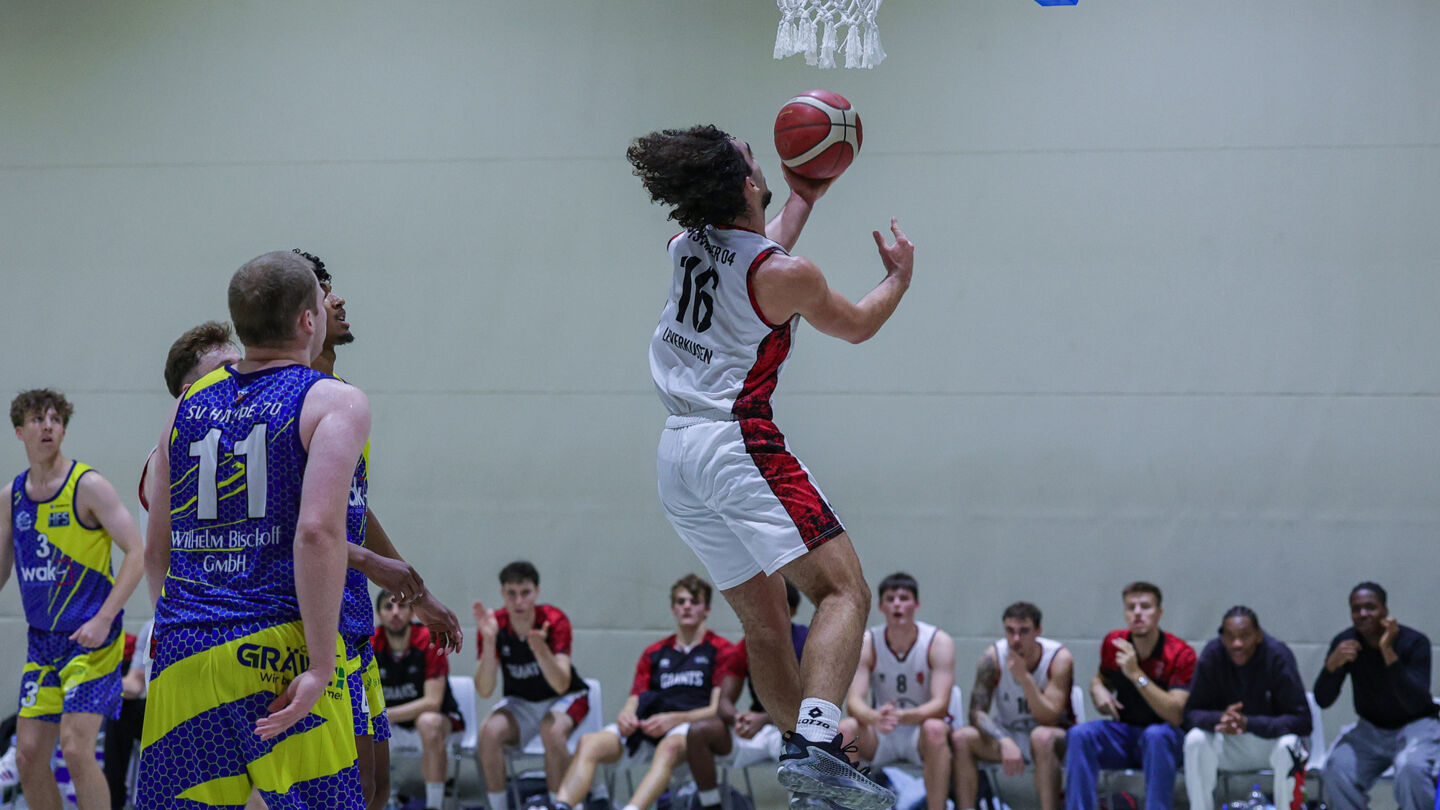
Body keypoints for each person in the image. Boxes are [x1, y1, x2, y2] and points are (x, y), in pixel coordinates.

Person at [630, 122, 913, 810]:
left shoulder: (682, 246)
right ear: (749, 184)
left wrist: (804, 198)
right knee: (845, 592)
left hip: (677, 455)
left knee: (763, 622)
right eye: (755, 162)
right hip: (737, 442)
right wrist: (898, 278)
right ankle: (818, 744)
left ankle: (804, 772)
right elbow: (856, 323)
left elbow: (759, 257)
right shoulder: (787, 273)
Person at [136, 250, 369, 808]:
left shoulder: (187, 403)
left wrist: (177, 629)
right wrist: (319, 663)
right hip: (278, 645)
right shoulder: (333, 400)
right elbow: (316, 534)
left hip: (184, 646)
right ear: (307, 321)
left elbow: (155, 548)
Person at [296, 248, 463, 810]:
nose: (339, 298)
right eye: (324, 289)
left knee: (374, 789)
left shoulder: (341, 395)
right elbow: (292, 527)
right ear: (301, 313)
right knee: (326, 793)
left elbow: (354, 508)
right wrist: (375, 568)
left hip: (352, 618)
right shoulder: (290, 400)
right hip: (302, 625)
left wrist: (414, 592)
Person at [0, 388, 146, 810]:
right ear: (19, 431)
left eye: (55, 419)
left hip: (92, 640)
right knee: (27, 755)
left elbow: (137, 552)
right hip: (43, 641)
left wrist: (104, 618)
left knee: (77, 748)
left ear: (63, 428)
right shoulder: (12, 498)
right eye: (37, 419)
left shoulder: (88, 486)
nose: (47, 426)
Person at [553, 575, 732, 810]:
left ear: (707, 608)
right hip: (649, 723)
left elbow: (716, 708)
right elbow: (635, 696)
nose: (686, 606)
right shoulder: (654, 652)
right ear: (672, 608)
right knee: (590, 742)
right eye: (680, 601)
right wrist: (626, 716)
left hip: (688, 727)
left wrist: (674, 719)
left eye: (694, 601)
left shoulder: (721, 650)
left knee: (667, 748)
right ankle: (562, 805)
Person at [1066, 582, 1195, 810]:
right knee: (1080, 734)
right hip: (1124, 734)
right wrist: (1097, 688)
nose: (1137, 613)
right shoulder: (1114, 643)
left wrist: (1136, 674)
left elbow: (1176, 714)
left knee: (1157, 736)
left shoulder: (1180, 653)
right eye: (1131, 607)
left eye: (1145, 607)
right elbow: (1100, 678)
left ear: (1159, 613)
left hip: (1165, 738)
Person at [473, 561, 591, 810]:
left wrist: (541, 652)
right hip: (522, 702)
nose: (518, 601)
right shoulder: (493, 626)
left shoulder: (554, 620)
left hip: (564, 697)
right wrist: (489, 643)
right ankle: (498, 806)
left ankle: (559, 803)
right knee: (488, 732)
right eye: (511, 593)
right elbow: (484, 689)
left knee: (552, 731)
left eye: (525, 593)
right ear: (502, 593)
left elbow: (562, 684)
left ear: (536, 592)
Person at [686, 580, 810, 810]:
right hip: (755, 728)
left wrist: (762, 719)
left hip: (792, 729)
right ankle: (710, 804)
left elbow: (812, 703)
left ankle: (803, 805)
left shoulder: (807, 641)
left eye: (776, 605)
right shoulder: (748, 645)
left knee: (800, 742)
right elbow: (724, 701)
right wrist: (737, 719)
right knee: (699, 732)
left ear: (791, 610)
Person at [1315, 583, 1440, 810]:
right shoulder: (1346, 643)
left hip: (1417, 725)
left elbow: (1416, 701)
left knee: (1410, 768)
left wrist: (1387, 650)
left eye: (1370, 607)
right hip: (1370, 730)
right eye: (1356, 609)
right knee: (1335, 769)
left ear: (1384, 610)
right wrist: (1330, 667)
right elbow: (1323, 700)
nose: (1363, 614)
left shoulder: (1413, 642)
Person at [837, 573, 955, 810]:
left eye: (904, 598)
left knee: (935, 729)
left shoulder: (938, 641)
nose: (897, 604)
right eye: (890, 599)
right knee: (845, 729)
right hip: (882, 732)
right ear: (881, 606)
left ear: (916, 604)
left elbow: (941, 705)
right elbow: (854, 702)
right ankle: (852, 806)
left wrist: (905, 716)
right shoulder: (868, 641)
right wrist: (875, 717)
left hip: (919, 732)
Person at [1181, 606, 1309, 810]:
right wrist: (1219, 719)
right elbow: (1189, 715)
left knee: (1290, 745)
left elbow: (1302, 721)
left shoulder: (1277, 655)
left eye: (1244, 636)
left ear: (1258, 636)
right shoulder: (1213, 654)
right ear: (1222, 637)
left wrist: (1250, 723)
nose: (1237, 644)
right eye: (1230, 637)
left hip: (1270, 744)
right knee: (1195, 740)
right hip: (1229, 745)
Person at [953, 601, 1074, 810]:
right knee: (962, 738)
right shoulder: (992, 657)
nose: (1015, 639)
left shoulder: (1059, 658)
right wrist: (1004, 740)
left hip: (1053, 737)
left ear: (1038, 631)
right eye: (1010, 631)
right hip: (1010, 734)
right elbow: (975, 712)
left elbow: (1049, 717)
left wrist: (1025, 679)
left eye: (1024, 631)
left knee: (1041, 737)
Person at [138, 321, 243, 516]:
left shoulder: (245, 446)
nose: (240, 376)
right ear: (190, 393)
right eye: (225, 369)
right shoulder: (162, 459)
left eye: (240, 365)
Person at [373, 591, 463, 810]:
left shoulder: (429, 640)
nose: (395, 612)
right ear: (378, 614)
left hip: (440, 723)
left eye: (402, 606)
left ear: (412, 612)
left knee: (428, 721)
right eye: (388, 607)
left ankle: (434, 805)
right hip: (392, 726)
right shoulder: (370, 643)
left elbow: (432, 702)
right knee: (356, 727)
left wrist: (383, 715)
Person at [103, 619, 154, 810]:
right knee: (121, 710)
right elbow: (134, 685)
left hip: (195, 713)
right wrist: (99, 682)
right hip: (158, 712)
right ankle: (113, 796)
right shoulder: (151, 627)